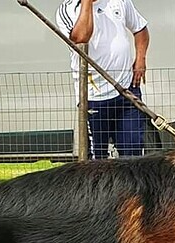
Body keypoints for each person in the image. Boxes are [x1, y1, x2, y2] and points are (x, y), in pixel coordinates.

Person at [56, 0, 149, 159]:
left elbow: (140, 29)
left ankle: (128, 184)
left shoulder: (119, 1)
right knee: (97, 159)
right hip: (94, 99)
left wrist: (141, 58)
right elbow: (81, 37)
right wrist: (87, 3)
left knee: (133, 152)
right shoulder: (68, 9)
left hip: (127, 92)